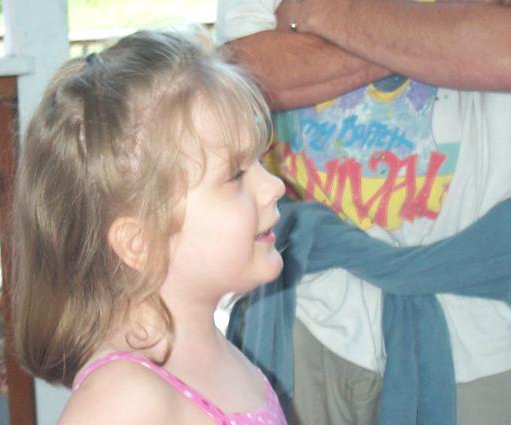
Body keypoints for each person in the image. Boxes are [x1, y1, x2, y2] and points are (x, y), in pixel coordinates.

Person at [216, 0, 511, 424]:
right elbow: (246, 77)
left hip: (479, 320)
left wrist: (319, 14)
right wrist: (444, 34)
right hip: (308, 306)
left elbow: (502, 52)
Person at [12, 27, 289, 425]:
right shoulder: (123, 402)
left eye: (259, 161)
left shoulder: (217, 353)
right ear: (139, 242)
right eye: (235, 175)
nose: (274, 186)